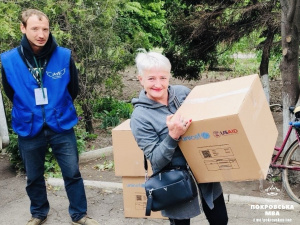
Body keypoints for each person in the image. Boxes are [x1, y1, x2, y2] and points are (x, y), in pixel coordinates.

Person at [0, 9, 99, 225]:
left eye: (45, 29)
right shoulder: (8, 60)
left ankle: (79, 214)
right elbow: (10, 93)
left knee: (72, 172)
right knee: (33, 176)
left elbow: (73, 88)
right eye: (35, 28)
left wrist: (56, 106)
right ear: (23, 28)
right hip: (29, 125)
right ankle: (38, 213)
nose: (41, 34)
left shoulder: (63, 55)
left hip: (60, 124)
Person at [130, 50, 229, 225]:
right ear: (141, 79)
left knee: (220, 220)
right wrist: (172, 135)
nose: (158, 84)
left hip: (205, 171)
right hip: (174, 182)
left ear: (169, 76)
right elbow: (156, 161)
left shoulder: (183, 94)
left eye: (163, 78)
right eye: (151, 78)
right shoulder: (140, 117)